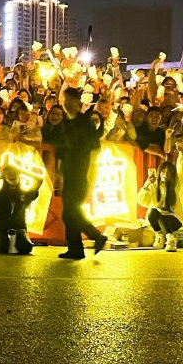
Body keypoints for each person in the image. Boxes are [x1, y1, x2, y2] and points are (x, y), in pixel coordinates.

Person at [54, 87, 108, 259]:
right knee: (70, 212)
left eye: (69, 100)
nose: (66, 103)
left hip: (80, 173)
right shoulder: (67, 123)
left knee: (71, 212)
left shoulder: (85, 122)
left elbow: (95, 145)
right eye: (64, 100)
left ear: (78, 104)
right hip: (69, 173)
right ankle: (76, 248)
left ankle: (95, 236)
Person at [0, 162, 40, 254]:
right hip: (0, 228)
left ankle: (13, 242)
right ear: (4, 176)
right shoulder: (1, 195)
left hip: (19, 229)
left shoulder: (25, 194)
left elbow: (38, 181)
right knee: (0, 247)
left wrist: (24, 171)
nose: (11, 175)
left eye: (14, 172)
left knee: (26, 248)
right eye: (8, 173)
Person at [137, 161, 183, 251]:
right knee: (152, 212)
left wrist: (181, 155)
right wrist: (146, 185)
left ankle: (171, 240)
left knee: (163, 217)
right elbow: (142, 201)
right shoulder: (154, 186)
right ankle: (160, 237)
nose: (165, 175)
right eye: (163, 172)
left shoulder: (176, 186)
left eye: (169, 172)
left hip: (174, 220)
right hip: (158, 220)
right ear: (159, 172)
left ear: (173, 175)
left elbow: (182, 172)